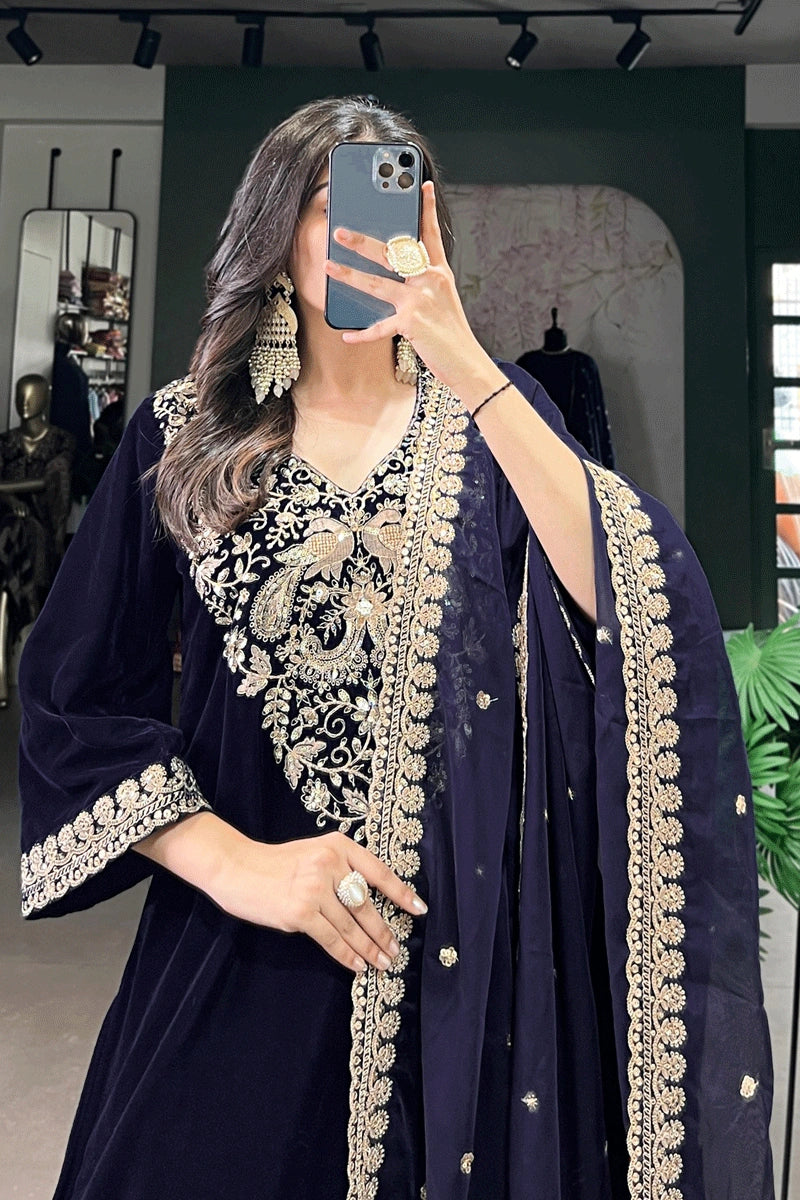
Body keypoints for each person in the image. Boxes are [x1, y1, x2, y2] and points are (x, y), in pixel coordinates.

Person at [17, 95, 774, 1200]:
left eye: (398, 207)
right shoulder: (187, 438)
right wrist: (239, 866)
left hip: (470, 980)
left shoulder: (492, 423)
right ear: (279, 237)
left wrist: (463, 358)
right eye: (334, 208)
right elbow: (72, 701)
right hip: (242, 957)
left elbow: (628, 590)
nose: (369, 234)